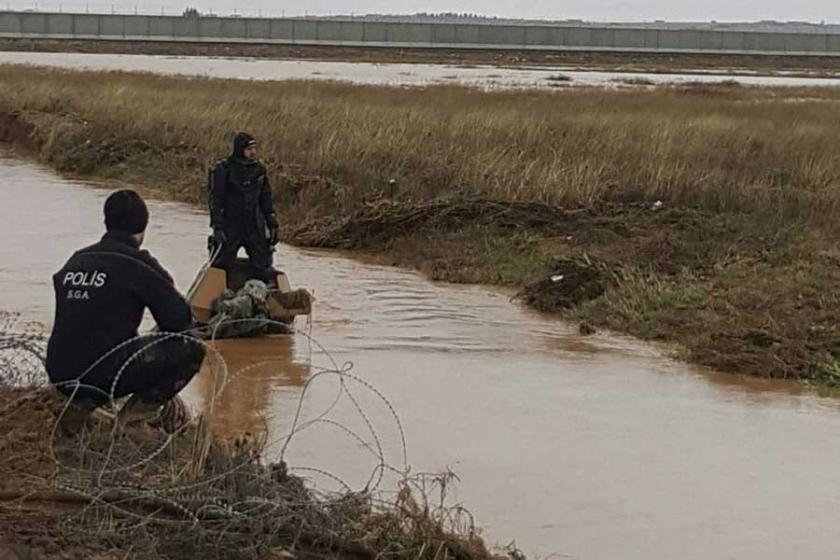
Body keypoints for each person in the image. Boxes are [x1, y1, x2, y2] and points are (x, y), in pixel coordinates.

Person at [46, 190, 205, 434]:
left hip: (60, 371)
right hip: (103, 373)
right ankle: (131, 423)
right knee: (190, 347)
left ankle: (80, 405)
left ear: (107, 222)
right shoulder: (138, 264)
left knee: (103, 344)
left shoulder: (77, 260)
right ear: (143, 227)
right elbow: (178, 318)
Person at [209, 132, 280, 286]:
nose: (253, 152)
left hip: (253, 226)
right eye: (249, 149)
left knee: (263, 264)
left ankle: (261, 297)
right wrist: (217, 227)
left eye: (254, 148)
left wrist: (272, 223)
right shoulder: (224, 170)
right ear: (240, 150)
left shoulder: (259, 170)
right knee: (221, 264)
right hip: (231, 225)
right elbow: (216, 200)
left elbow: (266, 199)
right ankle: (215, 296)